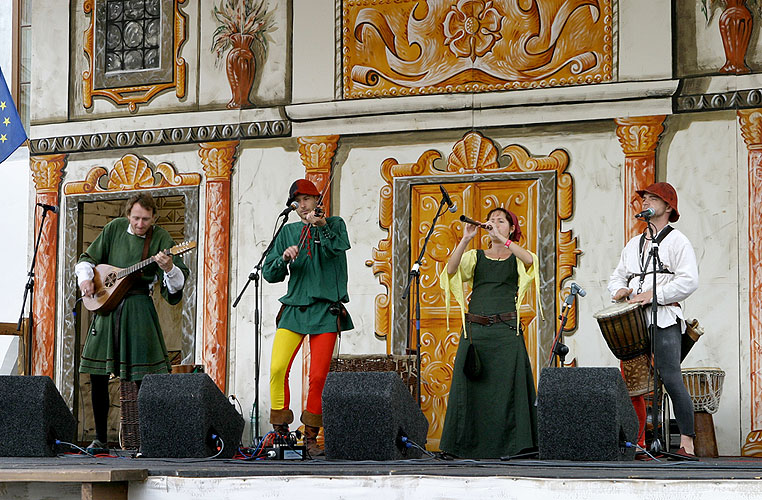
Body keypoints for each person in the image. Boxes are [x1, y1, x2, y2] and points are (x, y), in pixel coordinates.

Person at [76, 193, 190, 453]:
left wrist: (170, 267)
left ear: (153, 218)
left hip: (139, 308)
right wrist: (86, 279)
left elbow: (177, 283)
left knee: (143, 378)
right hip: (107, 308)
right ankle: (100, 439)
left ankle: (148, 441)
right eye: (136, 218)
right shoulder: (114, 228)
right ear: (128, 215)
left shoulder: (160, 238)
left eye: (146, 219)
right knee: (97, 375)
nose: (141, 224)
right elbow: (86, 259)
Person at [438, 207, 541, 458]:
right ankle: (461, 447)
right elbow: (451, 271)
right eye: (491, 220)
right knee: (469, 388)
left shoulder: (517, 255)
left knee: (508, 390)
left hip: (506, 332)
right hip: (476, 332)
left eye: (501, 221)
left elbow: (530, 261)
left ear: (512, 228)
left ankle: (516, 446)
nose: (493, 223)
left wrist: (505, 241)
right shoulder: (475, 256)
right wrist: (465, 239)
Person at [263, 179, 353, 457]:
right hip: (294, 308)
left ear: (317, 201)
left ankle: (311, 436)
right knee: (278, 368)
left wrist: (321, 227)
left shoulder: (334, 224)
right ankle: (281, 433)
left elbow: (336, 250)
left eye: (307, 200)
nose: (302, 206)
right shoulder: (288, 231)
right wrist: (283, 260)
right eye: (297, 201)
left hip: (326, 309)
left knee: (318, 376)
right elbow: (269, 273)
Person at [608, 182, 699, 457]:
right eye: (644, 197)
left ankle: (687, 444)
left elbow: (689, 281)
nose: (645, 200)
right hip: (634, 320)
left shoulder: (677, 241)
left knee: (670, 378)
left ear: (668, 207)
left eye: (652, 198)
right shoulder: (634, 244)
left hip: (664, 317)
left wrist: (653, 294)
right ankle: (639, 443)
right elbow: (616, 276)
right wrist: (619, 290)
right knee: (632, 383)